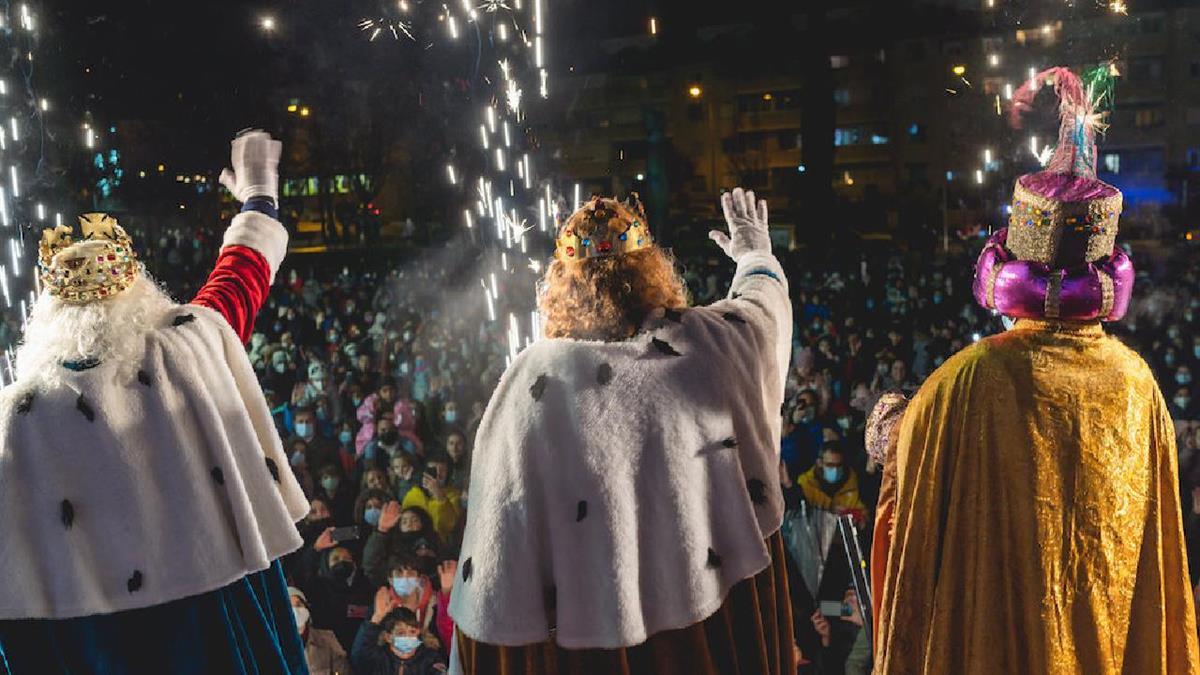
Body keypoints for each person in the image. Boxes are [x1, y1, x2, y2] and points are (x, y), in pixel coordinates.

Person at [876, 67, 1200, 672]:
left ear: (1010, 263)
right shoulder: (1138, 381)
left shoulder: (972, 377)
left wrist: (894, 430)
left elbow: (914, 470)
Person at [0, 131, 311, 673]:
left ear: (47, 314)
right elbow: (238, 280)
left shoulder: (12, 419)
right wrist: (259, 196)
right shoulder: (185, 353)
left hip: (85, 639)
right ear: (138, 291)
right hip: (211, 610)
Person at [449, 189, 794, 674]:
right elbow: (762, 312)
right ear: (650, 268)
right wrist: (755, 253)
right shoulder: (711, 343)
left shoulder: (532, 378)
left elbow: (497, 558)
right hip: (704, 634)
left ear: (561, 284)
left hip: (578, 648)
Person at [352, 603, 447, 675]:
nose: (408, 637)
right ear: (388, 637)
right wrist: (376, 618)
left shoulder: (431, 659)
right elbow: (359, 654)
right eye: (401, 633)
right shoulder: (378, 658)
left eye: (412, 632)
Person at [400, 452, 463, 541]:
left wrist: (440, 496)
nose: (437, 474)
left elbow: (450, 526)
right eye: (433, 469)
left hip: (438, 546)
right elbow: (404, 525)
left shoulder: (454, 496)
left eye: (442, 470)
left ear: (448, 474)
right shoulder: (412, 494)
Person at [290, 586, 352, 675]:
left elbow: (343, 670)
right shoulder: (274, 646)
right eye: (289, 607)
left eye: (298, 605)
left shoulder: (327, 639)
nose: (295, 611)